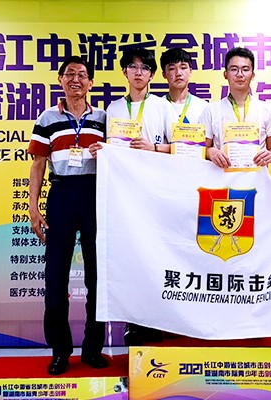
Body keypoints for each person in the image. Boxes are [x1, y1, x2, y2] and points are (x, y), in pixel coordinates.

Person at [28, 55, 108, 375]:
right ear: (60, 80)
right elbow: (38, 164)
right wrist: (33, 207)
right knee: (56, 275)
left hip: (95, 195)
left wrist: (107, 153)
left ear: (91, 83)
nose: (76, 79)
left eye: (82, 75)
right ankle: (60, 351)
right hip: (61, 194)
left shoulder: (103, 119)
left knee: (97, 276)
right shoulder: (47, 118)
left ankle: (93, 349)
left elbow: (120, 159)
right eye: (70, 74)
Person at [104, 48, 177, 345]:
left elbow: (182, 147)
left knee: (155, 257)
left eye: (144, 67)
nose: (138, 72)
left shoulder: (163, 107)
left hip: (155, 192)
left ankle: (156, 320)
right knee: (130, 258)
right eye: (132, 67)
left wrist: (153, 148)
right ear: (124, 72)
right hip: (124, 195)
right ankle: (133, 323)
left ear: (152, 74)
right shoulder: (113, 109)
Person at [199, 47, 271, 169]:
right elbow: (202, 149)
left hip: (258, 178)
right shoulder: (211, 110)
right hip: (222, 177)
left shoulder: (267, 109)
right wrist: (210, 152)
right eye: (234, 69)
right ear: (225, 74)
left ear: (252, 75)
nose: (240, 74)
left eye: (245, 69)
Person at [160, 48, 208, 124]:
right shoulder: (158, 107)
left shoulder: (203, 107)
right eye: (172, 69)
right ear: (164, 74)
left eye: (183, 68)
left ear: (190, 71)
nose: (178, 73)